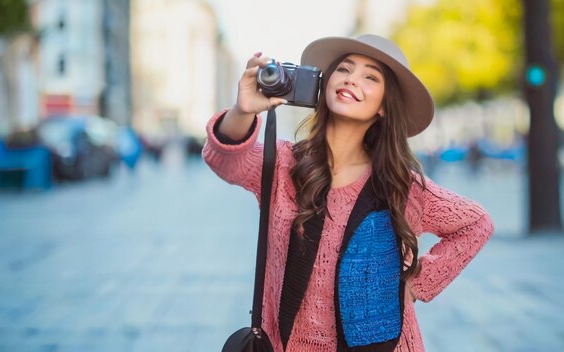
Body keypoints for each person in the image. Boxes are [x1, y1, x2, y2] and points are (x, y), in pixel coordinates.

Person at [203, 34, 495, 352]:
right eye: (344, 69)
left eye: (370, 76)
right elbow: (227, 161)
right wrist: (242, 111)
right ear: (325, 83)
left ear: (384, 105)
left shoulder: (400, 185)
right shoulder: (284, 164)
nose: (352, 79)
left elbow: (476, 224)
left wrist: (416, 285)